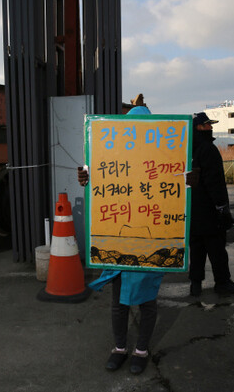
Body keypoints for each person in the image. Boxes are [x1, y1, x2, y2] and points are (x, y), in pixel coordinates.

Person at [78, 104, 162, 375]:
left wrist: (189, 181)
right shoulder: (112, 156)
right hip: (119, 243)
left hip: (150, 242)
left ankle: (141, 349)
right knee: (118, 303)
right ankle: (119, 348)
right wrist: (86, 178)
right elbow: (97, 179)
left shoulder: (163, 158)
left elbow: (178, 190)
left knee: (147, 302)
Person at [188, 112, 234, 297]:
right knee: (217, 250)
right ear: (198, 127)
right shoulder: (208, 149)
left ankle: (195, 285)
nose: (210, 127)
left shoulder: (186, 150)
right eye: (206, 125)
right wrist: (222, 209)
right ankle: (222, 283)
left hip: (192, 212)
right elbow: (215, 183)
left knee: (196, 250)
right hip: (210, 213)